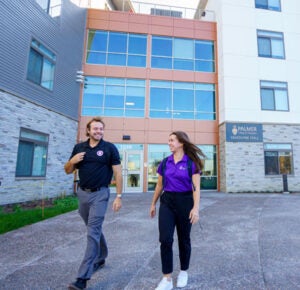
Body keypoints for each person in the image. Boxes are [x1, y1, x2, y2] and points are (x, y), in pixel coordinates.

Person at [64, 117, 123, 290]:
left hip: (100, 194)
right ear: (88, 131)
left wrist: (118, 196)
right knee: (93, 229)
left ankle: (82, 278)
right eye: (95, 129)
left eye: (101, 129)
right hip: (83, 194)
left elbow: (118, 174)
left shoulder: (109, 148)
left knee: (93, 231)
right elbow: (68, 170)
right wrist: (72, 161)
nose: (98, 131)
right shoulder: (79, 148)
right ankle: (102, 255)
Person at [150, 131, 205, 290]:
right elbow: (159, 185)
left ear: (181, 142)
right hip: (167, 202)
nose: (169, 143)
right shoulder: (165, 162)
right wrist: (153, 203)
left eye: (172, 140)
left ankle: (183, 272)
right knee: (165, 239)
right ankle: (166, 279)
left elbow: (196, 188)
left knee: (184, 239)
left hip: (185, 202)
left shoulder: (192, 163)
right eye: (168, 140)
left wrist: (195, 208)